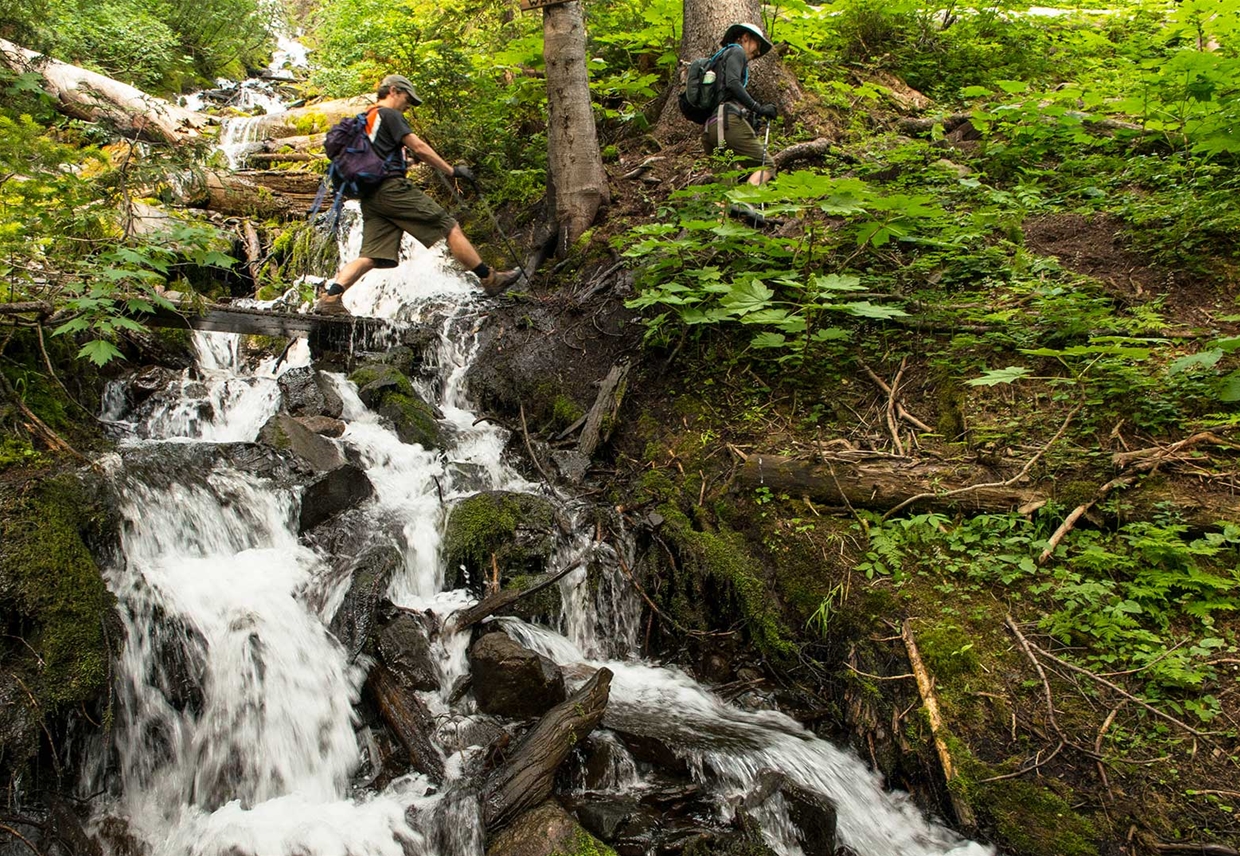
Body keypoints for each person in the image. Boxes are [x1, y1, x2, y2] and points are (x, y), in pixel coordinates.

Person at [315, 74, 522, 315]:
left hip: (370, 198)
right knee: (449, 226)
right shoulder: (389, 115)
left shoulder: (366, 120)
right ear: (393, 91)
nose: (408, 106)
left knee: (371, 255)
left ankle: (331, 297)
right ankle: (489, 278)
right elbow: (419, 147)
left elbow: (383, 156)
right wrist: (452, 170)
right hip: (391, 190)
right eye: (407, 99)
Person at [702, 22, 777, 188]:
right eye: (757, 45)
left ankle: (723, 212)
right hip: (727, 123)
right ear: (745, 37)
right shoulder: (736, 51)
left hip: (711, 129)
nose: (758, 52)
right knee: (766, 166)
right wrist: (758, 108)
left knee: (725, 190)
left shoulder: (719, 60)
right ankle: (743, 202)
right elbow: (733, 83)